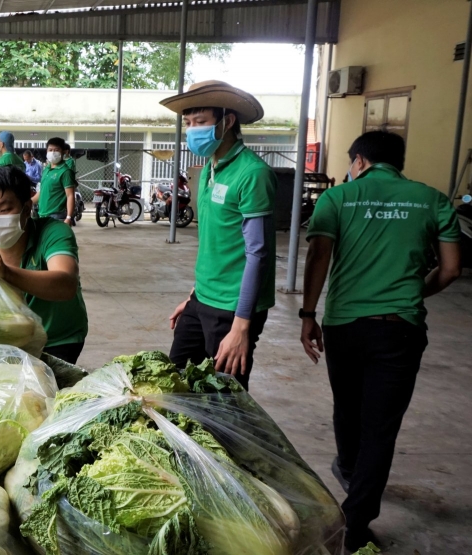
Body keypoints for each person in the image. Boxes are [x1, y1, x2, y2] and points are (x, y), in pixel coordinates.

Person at [300, 131, 461, 551]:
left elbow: (319, 256)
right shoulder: (433, 200)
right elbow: (450, 270)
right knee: (380, 428)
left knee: (348, 408)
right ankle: (355, 523)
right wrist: (412, 293)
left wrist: (307, 315)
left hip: (344, 327)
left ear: (359, 161)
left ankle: (350, 468)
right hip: (399, 329)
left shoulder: (337, 200)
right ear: (398, 162)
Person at [160, 80, 277, 391]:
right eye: (188, 123)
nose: (192, 130)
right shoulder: (211, 169)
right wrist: (193, 296)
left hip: (233, 308)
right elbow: (219, 243)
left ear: (227, 122)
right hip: (203, 299)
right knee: (176, 386)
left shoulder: (252, 174)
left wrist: (241, 327)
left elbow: (258, 253)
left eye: (201, 122)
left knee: (224, 400)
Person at [0, 166, 89, 363]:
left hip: (58, 341)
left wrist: (7, 273)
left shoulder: (53, 233)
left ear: (26, 208)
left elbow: (66, 284)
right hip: (14, 342)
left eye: (4, 210)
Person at [33, 137, 76, 225]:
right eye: (50, 150)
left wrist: (68, 218)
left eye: (56, 150)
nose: (53, 153)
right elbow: (42, 191)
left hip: (57, 216)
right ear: (46, 151)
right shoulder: (46, 169)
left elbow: (70, 195)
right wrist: (28, 202)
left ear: (63, 151)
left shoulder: (65, 171)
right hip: (42, 215)